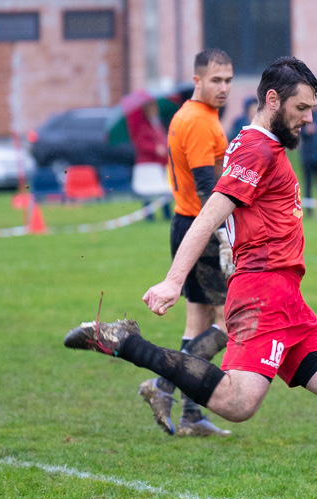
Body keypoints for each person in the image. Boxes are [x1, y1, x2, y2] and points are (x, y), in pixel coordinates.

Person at [65, 56, 317, 499]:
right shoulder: (256, 150)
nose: (309, 118)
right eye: (302, 108)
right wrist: (172, 281)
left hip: (287, 296)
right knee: (240, 403)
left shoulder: (258, 144)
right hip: (262, 291)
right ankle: (124, 343)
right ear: (273, 100)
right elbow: (209, 213)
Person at [136, 48, 234, 438]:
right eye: (216, 80)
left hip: (186, 224)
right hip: (201, 229)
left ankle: (192, 416)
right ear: (197, 81)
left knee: (199, 323)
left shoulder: (199, 116)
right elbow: (208, 187)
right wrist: (225, 235)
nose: (224, 87)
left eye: (228, 80)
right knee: (232, 324)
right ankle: (162, 384)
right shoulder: (197, 121)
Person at [125, 96, 172, 220]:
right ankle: (149, 216)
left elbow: (161, 139)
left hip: (160, 162)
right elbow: (140, 143)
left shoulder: (157, 123)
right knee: (148, 191)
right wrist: (155, 148)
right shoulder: (142, 125)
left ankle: (166, 214)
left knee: (163, 189)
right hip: (147, 163)